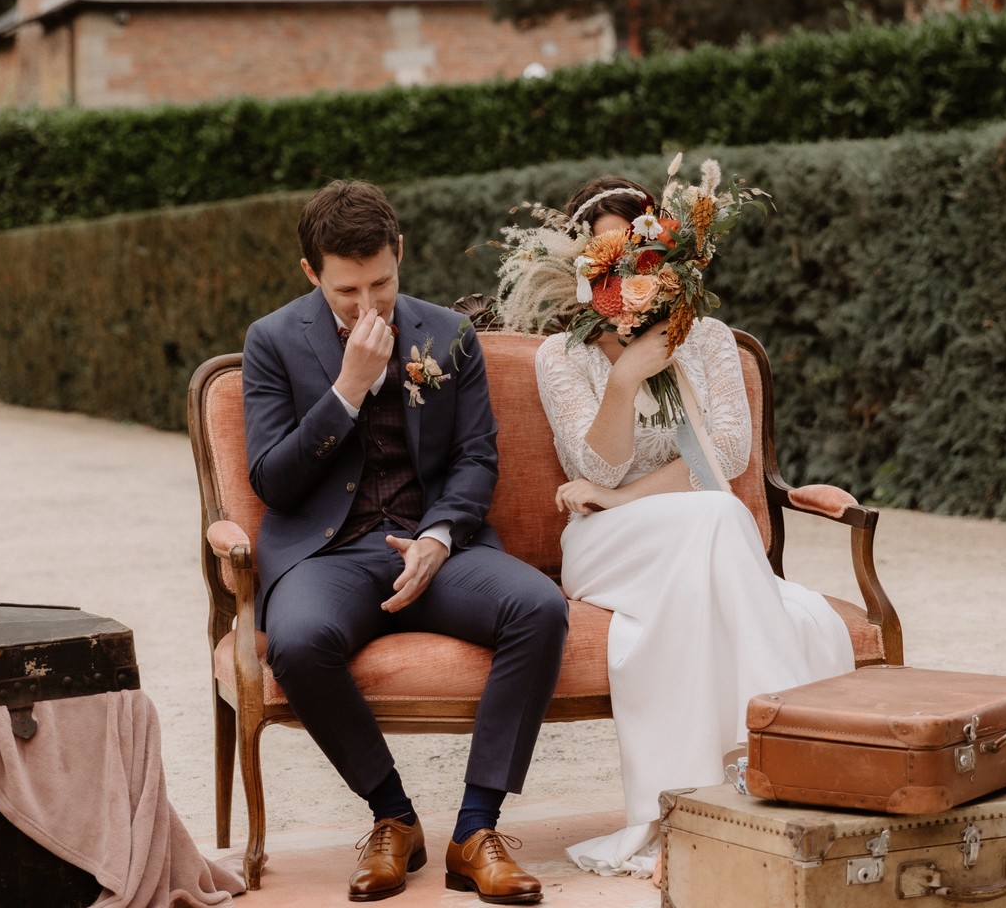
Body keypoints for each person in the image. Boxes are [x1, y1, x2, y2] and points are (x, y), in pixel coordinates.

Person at [505, 174, 856, 878]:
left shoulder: (713, 341)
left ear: (662, 262)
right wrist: (626, 379)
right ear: (587, 271)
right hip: (607, 550)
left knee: (720, 513)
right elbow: (592, 463)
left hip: (683, 530)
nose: (625, 280)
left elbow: (724, 459)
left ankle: (714, 795)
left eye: (637, 261)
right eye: (608, 265)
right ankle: (783, 752)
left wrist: (619, 496)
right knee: (725, 522)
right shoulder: (559, 357)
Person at [241, 179, 568, 904]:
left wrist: (441, 537)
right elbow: (273, 482)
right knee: (295, 643)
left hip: (438, 549)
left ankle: (475, 831)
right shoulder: (271, 342)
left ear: (401, 254)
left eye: (382, 284)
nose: (368, 306)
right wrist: (348, 389)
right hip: (329, 555)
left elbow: (477, 456)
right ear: (311, 274)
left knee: (539, 609)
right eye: (347, 290)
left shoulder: (447, 334)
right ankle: (392, 816)